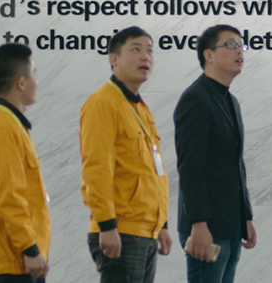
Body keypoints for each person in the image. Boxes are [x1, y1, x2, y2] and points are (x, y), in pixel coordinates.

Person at [80, 26, 171, 283]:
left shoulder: (139, 107)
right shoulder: (103, 103)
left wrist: (162, 225)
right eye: (136, 49)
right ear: (114, 59)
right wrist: (107, 225)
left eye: (150, 51)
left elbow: (152, 171)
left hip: (145, 232)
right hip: (121, 231)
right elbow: (96, 169)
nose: (145, 56)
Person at [173, 24, 257, 283]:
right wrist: (198, 223)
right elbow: (190, 167)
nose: (239, 51)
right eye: (231, 44)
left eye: (241, 45)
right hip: (206, 227)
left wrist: (246, 216)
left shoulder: (231, 101)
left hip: (231, 224)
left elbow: (236, 165)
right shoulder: (196, 98)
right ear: (208, 55)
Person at [0, 43, 52, 283]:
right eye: (34, 73)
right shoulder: (0, 128)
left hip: (19, 260)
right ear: (21, 83)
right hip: (13, 262)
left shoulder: (10, 124)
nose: (37, 81)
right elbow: (8, 196)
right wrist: (29, 248)